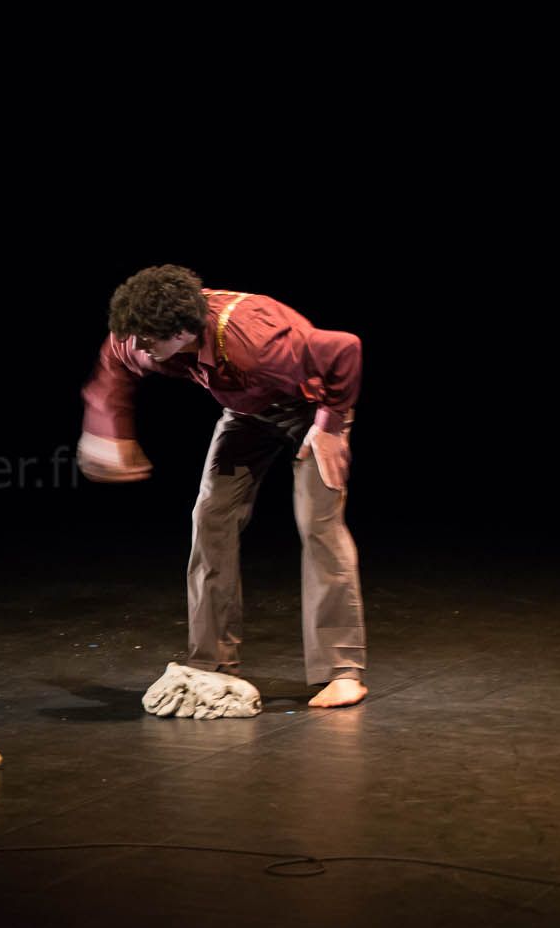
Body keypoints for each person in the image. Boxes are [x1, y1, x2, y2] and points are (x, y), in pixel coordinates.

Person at [78, 265, 367, 708]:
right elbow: (114, 361)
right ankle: (211, 664)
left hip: (310, 408)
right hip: (247, 415)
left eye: (146, 340)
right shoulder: (143, 336)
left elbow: (344, 349)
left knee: (318, 523)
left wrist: (329, 427)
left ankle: (343, 671)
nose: (136, 347)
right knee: (210, 516)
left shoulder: (259, 341)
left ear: (182, 333)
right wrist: (105, 432)